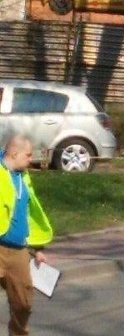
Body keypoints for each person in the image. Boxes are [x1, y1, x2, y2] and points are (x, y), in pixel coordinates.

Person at [0, 135, 53, 336]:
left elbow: (29, 214)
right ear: (14, 153)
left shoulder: (23, 176)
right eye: (28, 155)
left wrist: (38, 248)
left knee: (23, 303)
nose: (31, 159)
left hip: (19, 251)